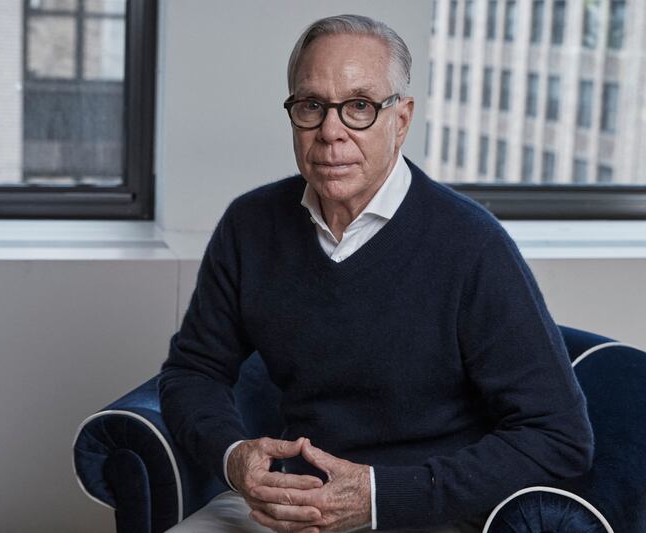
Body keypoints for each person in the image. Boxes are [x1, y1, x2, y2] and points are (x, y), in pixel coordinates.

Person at [159, 14, 593, 533]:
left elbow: (559, 437)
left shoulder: (472, 244)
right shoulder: (250, 225)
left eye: (360, 106)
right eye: (311, 106)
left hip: (423, 512)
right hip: (289, 506)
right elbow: (193, 372)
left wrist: (381, 495)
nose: (331, 132)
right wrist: (233, 457)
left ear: (401, 119)